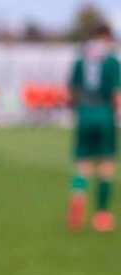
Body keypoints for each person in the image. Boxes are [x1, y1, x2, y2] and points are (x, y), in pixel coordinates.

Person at [67, 23, 121, 232]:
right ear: (107, 37)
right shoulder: (112, 61)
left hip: (84, 113)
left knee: (83, 163)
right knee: (106, 164)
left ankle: (78, 203)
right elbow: (117, 94)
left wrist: (78, 110)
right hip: (104, 112)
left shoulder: (81, 60)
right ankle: (101, 215)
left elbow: (72, 91)